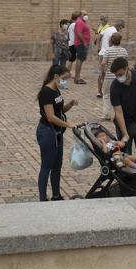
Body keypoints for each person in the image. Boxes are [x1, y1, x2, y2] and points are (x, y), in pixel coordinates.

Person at [36, 63, 78, 201]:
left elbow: (59, 111)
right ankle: (43, 198)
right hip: (47, 133)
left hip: (57, 133)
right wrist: (68, 124)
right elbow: (51, 117)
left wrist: (70, 104)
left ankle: (56, 195)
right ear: (56, 76)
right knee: (47, 165)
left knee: (57, 165)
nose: (65, 81)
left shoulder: (56, 90)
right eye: (64, 78)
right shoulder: (46, 92)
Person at [100, 32, 129, 118]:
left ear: (111, 40)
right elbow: (126, 64)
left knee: (106, 95)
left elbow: (103, 63)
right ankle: (119, 113)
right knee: (120, 95)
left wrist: (103, 72)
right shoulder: (124, 51)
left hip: (109, 76)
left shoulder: (108, 50)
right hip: (121, 76)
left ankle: (106, 113)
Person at [97, 19, 125, 98]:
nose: (122, 30)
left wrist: (99, 47)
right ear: (119, 26)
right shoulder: (114, 32)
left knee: (101, 73)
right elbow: (110, 41)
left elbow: (99, 36)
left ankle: (99, 91)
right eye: (122, 28)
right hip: (107, 54)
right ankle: (109, 91)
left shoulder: (108, 28)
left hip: (102, 53)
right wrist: (112, 49)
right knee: (109, 73)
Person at [72, 10, 91, 84]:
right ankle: (77, 78)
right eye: (84, 14)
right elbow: (79, 33)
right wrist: (84, 42)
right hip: (81, 44)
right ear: (80, 15)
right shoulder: (79, 22)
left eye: (87, 14)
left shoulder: (82, 22)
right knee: (79, 59)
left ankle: (78, 77)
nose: (86, 15)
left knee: (80, 59)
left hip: (81, 44)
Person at [66, 12, 78, 77]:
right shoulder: (74, 24)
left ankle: (68, 73)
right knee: (71, 59)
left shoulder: (71, 24)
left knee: (72, 59)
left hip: (71, 43)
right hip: (73, 43)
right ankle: (67, 73)